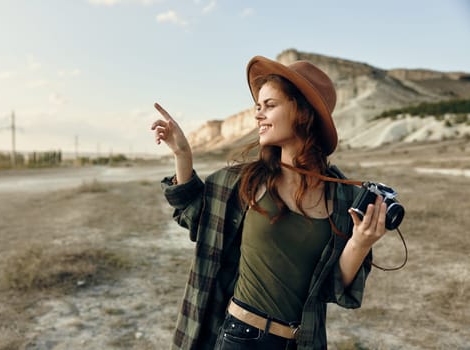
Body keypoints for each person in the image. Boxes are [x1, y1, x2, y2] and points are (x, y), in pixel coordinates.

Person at [151, 56, 388, 350]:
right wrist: (182, 154)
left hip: (300, 343)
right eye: (258, 107)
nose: (258, 116)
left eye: (270, 105)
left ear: (303, 111)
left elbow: (332, 288)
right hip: (240, 338)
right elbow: (194, 214)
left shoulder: (341, 199)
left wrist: (360, 244)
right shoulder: (244, 181)